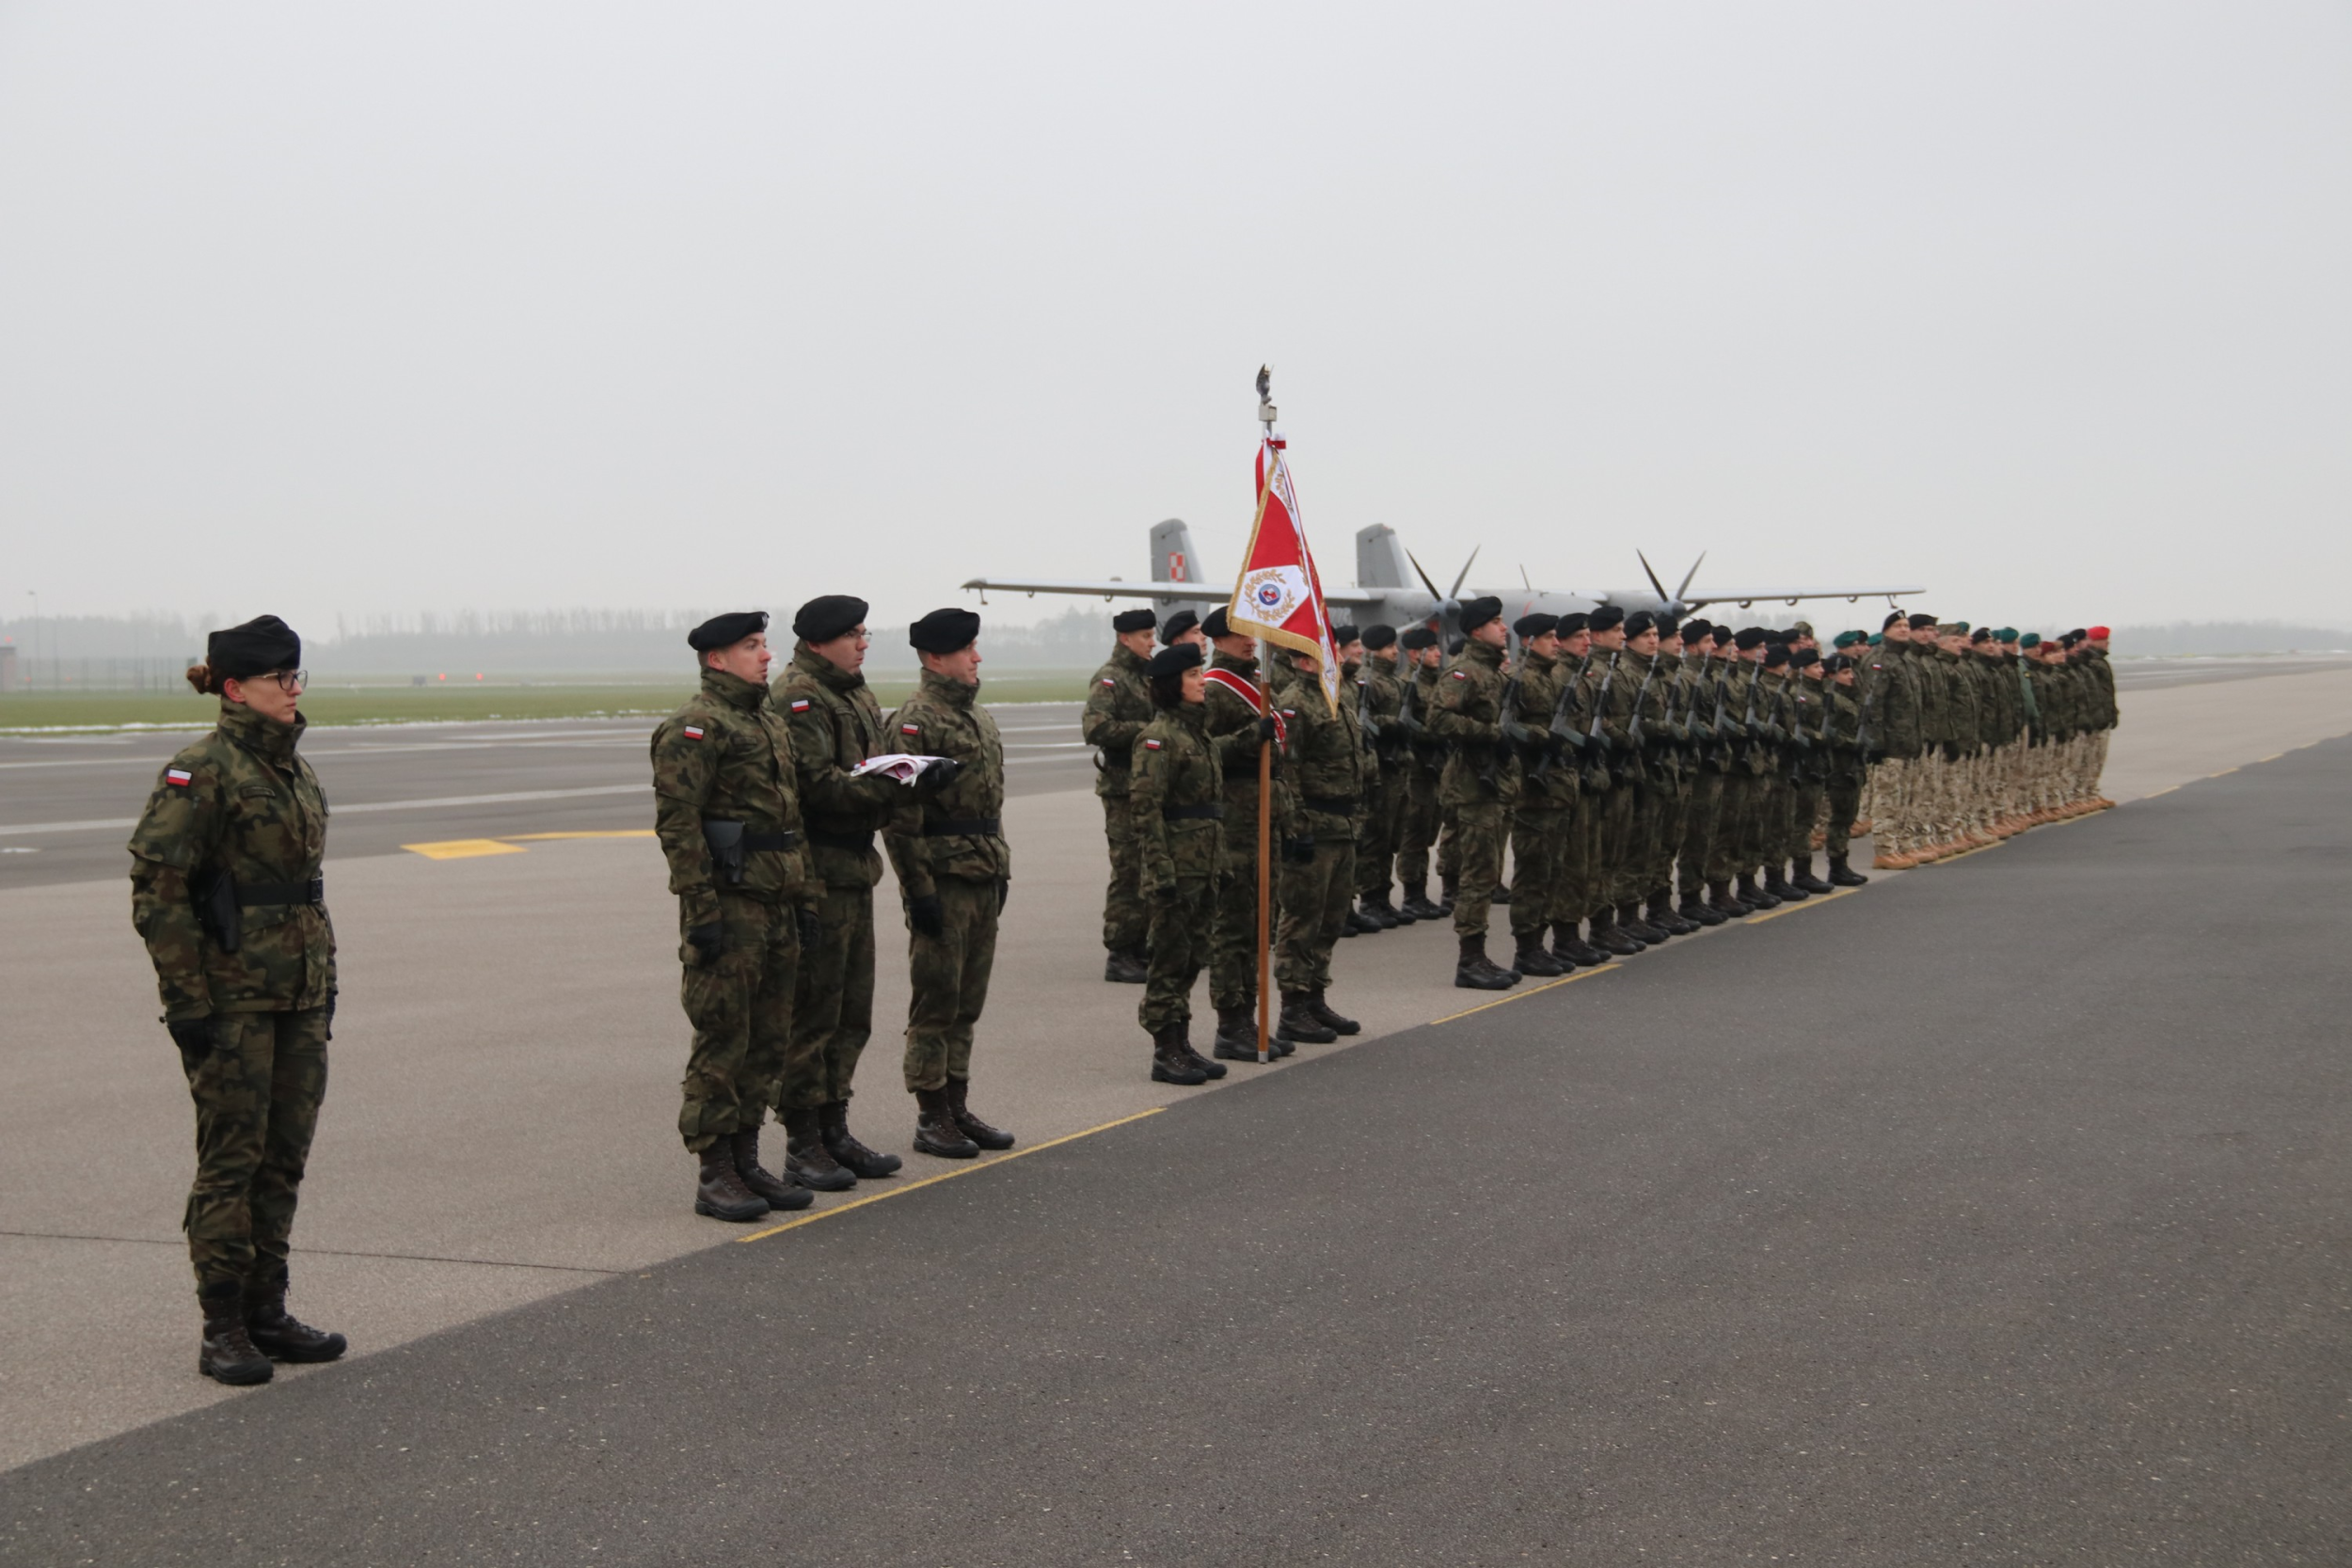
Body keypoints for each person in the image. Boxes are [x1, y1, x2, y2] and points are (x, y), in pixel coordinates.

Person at [130, 614, 346, 1386]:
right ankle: (221, 1324)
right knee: (233, 1158)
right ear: (234, 687)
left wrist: (324, 983)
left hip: (296, 995)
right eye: (278, 678)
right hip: (231, 1002)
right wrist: (187, 1001)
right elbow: (159, 891)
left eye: (297, 677)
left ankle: (267, 1309)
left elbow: (302, 895)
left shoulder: (295, 769)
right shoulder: (202, 770)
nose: (293, 690)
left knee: (283, 1157)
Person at [651, 611, 818, 1222]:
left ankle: (747, 1158)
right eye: (751, 646)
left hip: (776, 900)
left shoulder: (766, 721)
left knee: (768, 1037)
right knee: (723, 1037)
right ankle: (714, 1169)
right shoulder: (695, 727)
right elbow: (680, 825)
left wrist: (806, 897)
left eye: (765, 644)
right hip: (732, 902)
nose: (767, 656)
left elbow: (788, 821)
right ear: (716, 659)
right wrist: (701, 912)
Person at [772, 594, 922, 1189]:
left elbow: (867, 764)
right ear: (818, 642)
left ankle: (835, 1130)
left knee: (851, 1012)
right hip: (817, 871)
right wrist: (892, 788)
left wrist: (902, 770)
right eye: (854, 634)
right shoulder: (796, 697)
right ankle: (802, 1142)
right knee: (814, 1012)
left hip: (855, 867)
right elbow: (816, 786)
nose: (863, 643)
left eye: (865, 633)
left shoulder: (854, 690)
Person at [885, 609, 1015, 1159]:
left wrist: (1001, 864)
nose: (977, 657)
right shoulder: (915, 721)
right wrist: (919, 891)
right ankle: (931, 1113)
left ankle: (957, 1104)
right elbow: (900, 816)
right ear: (936, 657)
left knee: (968, 1001)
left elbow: (992, 802)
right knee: (936, 1002)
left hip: (983, 871)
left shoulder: (978, 717)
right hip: (943, 877)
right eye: (967, 650)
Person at [1128, 641, 1248, 1085]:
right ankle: (1164, 1049)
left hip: (1206, 864)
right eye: (1194, 675)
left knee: (1194, 956)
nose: (1203, 682)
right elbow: (1145, 809)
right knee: (1169, 958)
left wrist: (1222, 863)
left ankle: (1182, 1042)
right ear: (1171, 685)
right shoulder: (1158, 738)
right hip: (1177, 868)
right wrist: (1160, 871)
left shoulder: (1196, 734)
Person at [1200, 607, 1292, 1061]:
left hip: (1264, 819)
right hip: (1235, 824)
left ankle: (1249, 1018)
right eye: (1241, 635)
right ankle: (1230, 1021)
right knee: (1234, 926)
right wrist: (1243, 740)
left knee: (1260, 924)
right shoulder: (1215, 690)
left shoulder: (1256, 686)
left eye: (1252, 635)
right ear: (1218, 639)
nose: (1250, 642)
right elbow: (1199, 753)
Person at [1269, 639, 1366, 1041]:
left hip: (1342, 823)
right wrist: (1295, 827)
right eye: (1330, 648)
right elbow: (1286, 770)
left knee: (1331, 918)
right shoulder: (1294, 702)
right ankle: (1292, 1007)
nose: (1339, 654)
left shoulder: (1333, 695)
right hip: (1314, 823)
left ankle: (1315, 998)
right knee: (1302, 917)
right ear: (1308, 655)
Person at [1428, 595, 1521, 989]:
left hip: (1496, 785)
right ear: (1476, 630)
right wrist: (1490, 734)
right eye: (1497, 622)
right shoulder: (1464, 673)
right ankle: (1469, 960)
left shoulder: (1494, 673)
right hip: (1473, 785)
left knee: (1489, 871)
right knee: (1477, 875)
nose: (1504, 628)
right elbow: (1437, 719)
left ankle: (1479, 955)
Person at [1083, 608, 1157, 984]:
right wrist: (1149, 730)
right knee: (1128, 871)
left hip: (1147, 787)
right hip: (1121, 789)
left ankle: (1142, 945)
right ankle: (1121, 951)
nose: (1152, 642)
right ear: (1125, 638)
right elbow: (1096, 727)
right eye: (1145, 636)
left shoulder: (1146, 677)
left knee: (1149, 868)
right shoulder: (1111, 679)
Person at [1503, 613, 1572, 975]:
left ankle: (1540, 943)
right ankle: (1526, 948)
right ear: (1529, 641)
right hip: (1532, 791)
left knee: (1551, 871)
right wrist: (1542, 737)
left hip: (1556, 792)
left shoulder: (1550, 678)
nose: (1556, 643)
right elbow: (1506, 726)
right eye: (1548, 637)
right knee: (1532, 873)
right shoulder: (1518, 679)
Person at [1353, 625, 1414, 928]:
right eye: (1390, 647)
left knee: (1391, 836)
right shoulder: (1367, 680)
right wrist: (1389, 724)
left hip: (1398, 769)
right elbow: (1360, 719)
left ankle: (1383, 897)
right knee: (1375, 836)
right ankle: (1369, 898)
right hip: (1380, 767)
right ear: (1375, 650)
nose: (1395, 652)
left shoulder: (1393, 681)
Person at [1393, 627, 1449, 920]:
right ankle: (1412, 894)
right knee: (1414, 832)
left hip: (1435, 769)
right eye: (1432, 648)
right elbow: (1406, 725)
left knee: (1428, 831)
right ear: (1415, 654)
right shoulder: (1407, 685)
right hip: (1416, 770)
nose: (1439, 653)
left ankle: (1422, 893)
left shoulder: (1436, 683)